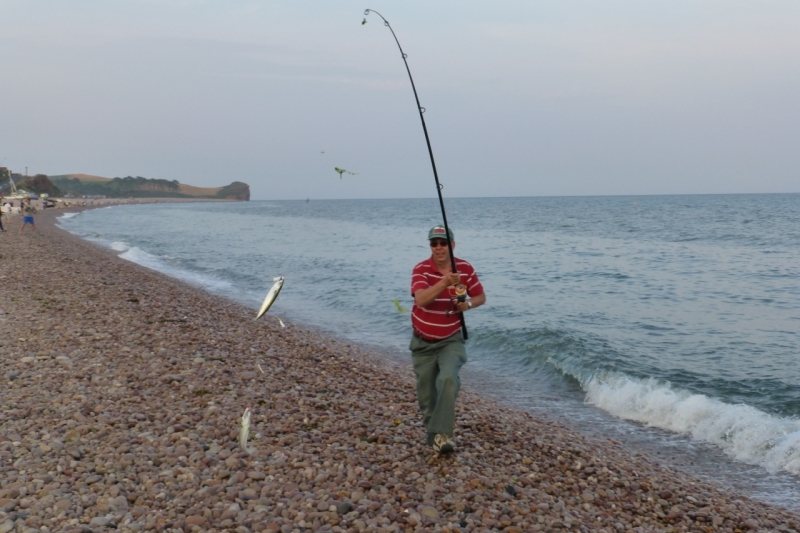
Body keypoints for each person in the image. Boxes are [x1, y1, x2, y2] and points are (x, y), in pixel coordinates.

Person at [410, 225, 486, 454]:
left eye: (443, 243)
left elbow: (481, 296)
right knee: (426, 394)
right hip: (422, 342)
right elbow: (421, 300)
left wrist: (468, 304)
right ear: (430, 246)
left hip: (451, 339)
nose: (439, 247)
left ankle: (443, 435)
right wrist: (444, 283)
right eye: (434, 243)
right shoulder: (421, 269)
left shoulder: (465, 268)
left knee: (449, 379)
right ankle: (433, 435)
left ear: (452, 245)